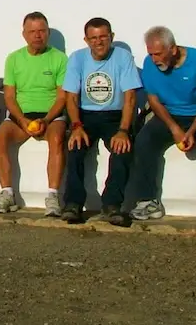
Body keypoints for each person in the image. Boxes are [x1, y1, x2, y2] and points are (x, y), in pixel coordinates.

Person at [124, 26, 196, 226]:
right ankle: (148, 201)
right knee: (143, 141)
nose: (154, 60)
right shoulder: (150, 64)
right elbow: (153, 100)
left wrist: (192, 130)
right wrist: (174, 128)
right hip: (168, 114)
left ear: (173, 49)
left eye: (158, 54)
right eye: (151, 54)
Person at [60, 18, 141, 227]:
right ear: (86, 40)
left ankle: (112, 205)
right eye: (93, 38)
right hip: (84, 115)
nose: (98, 42)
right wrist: (76, 126)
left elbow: (130, 97)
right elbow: (70, 97)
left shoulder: (123, 57)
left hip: (115, 115)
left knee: (123, 150)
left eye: (103, 37)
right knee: (74, 147)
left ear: (111, 37)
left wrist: (123, 130)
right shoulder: (77, 58)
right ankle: (73, 204)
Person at [0, 12, 68, 216]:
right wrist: (23, 120)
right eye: (32, 31)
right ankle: (7, 193)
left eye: (41, 31)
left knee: (58, 137)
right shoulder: (14, 59)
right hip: (21, 115)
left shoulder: (60, 58)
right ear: (24, 34)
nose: (37, 36)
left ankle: (53, 196)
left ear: (48, 33)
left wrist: (46, 119)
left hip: (51, 115)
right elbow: (9, 96)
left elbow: (62, 98)